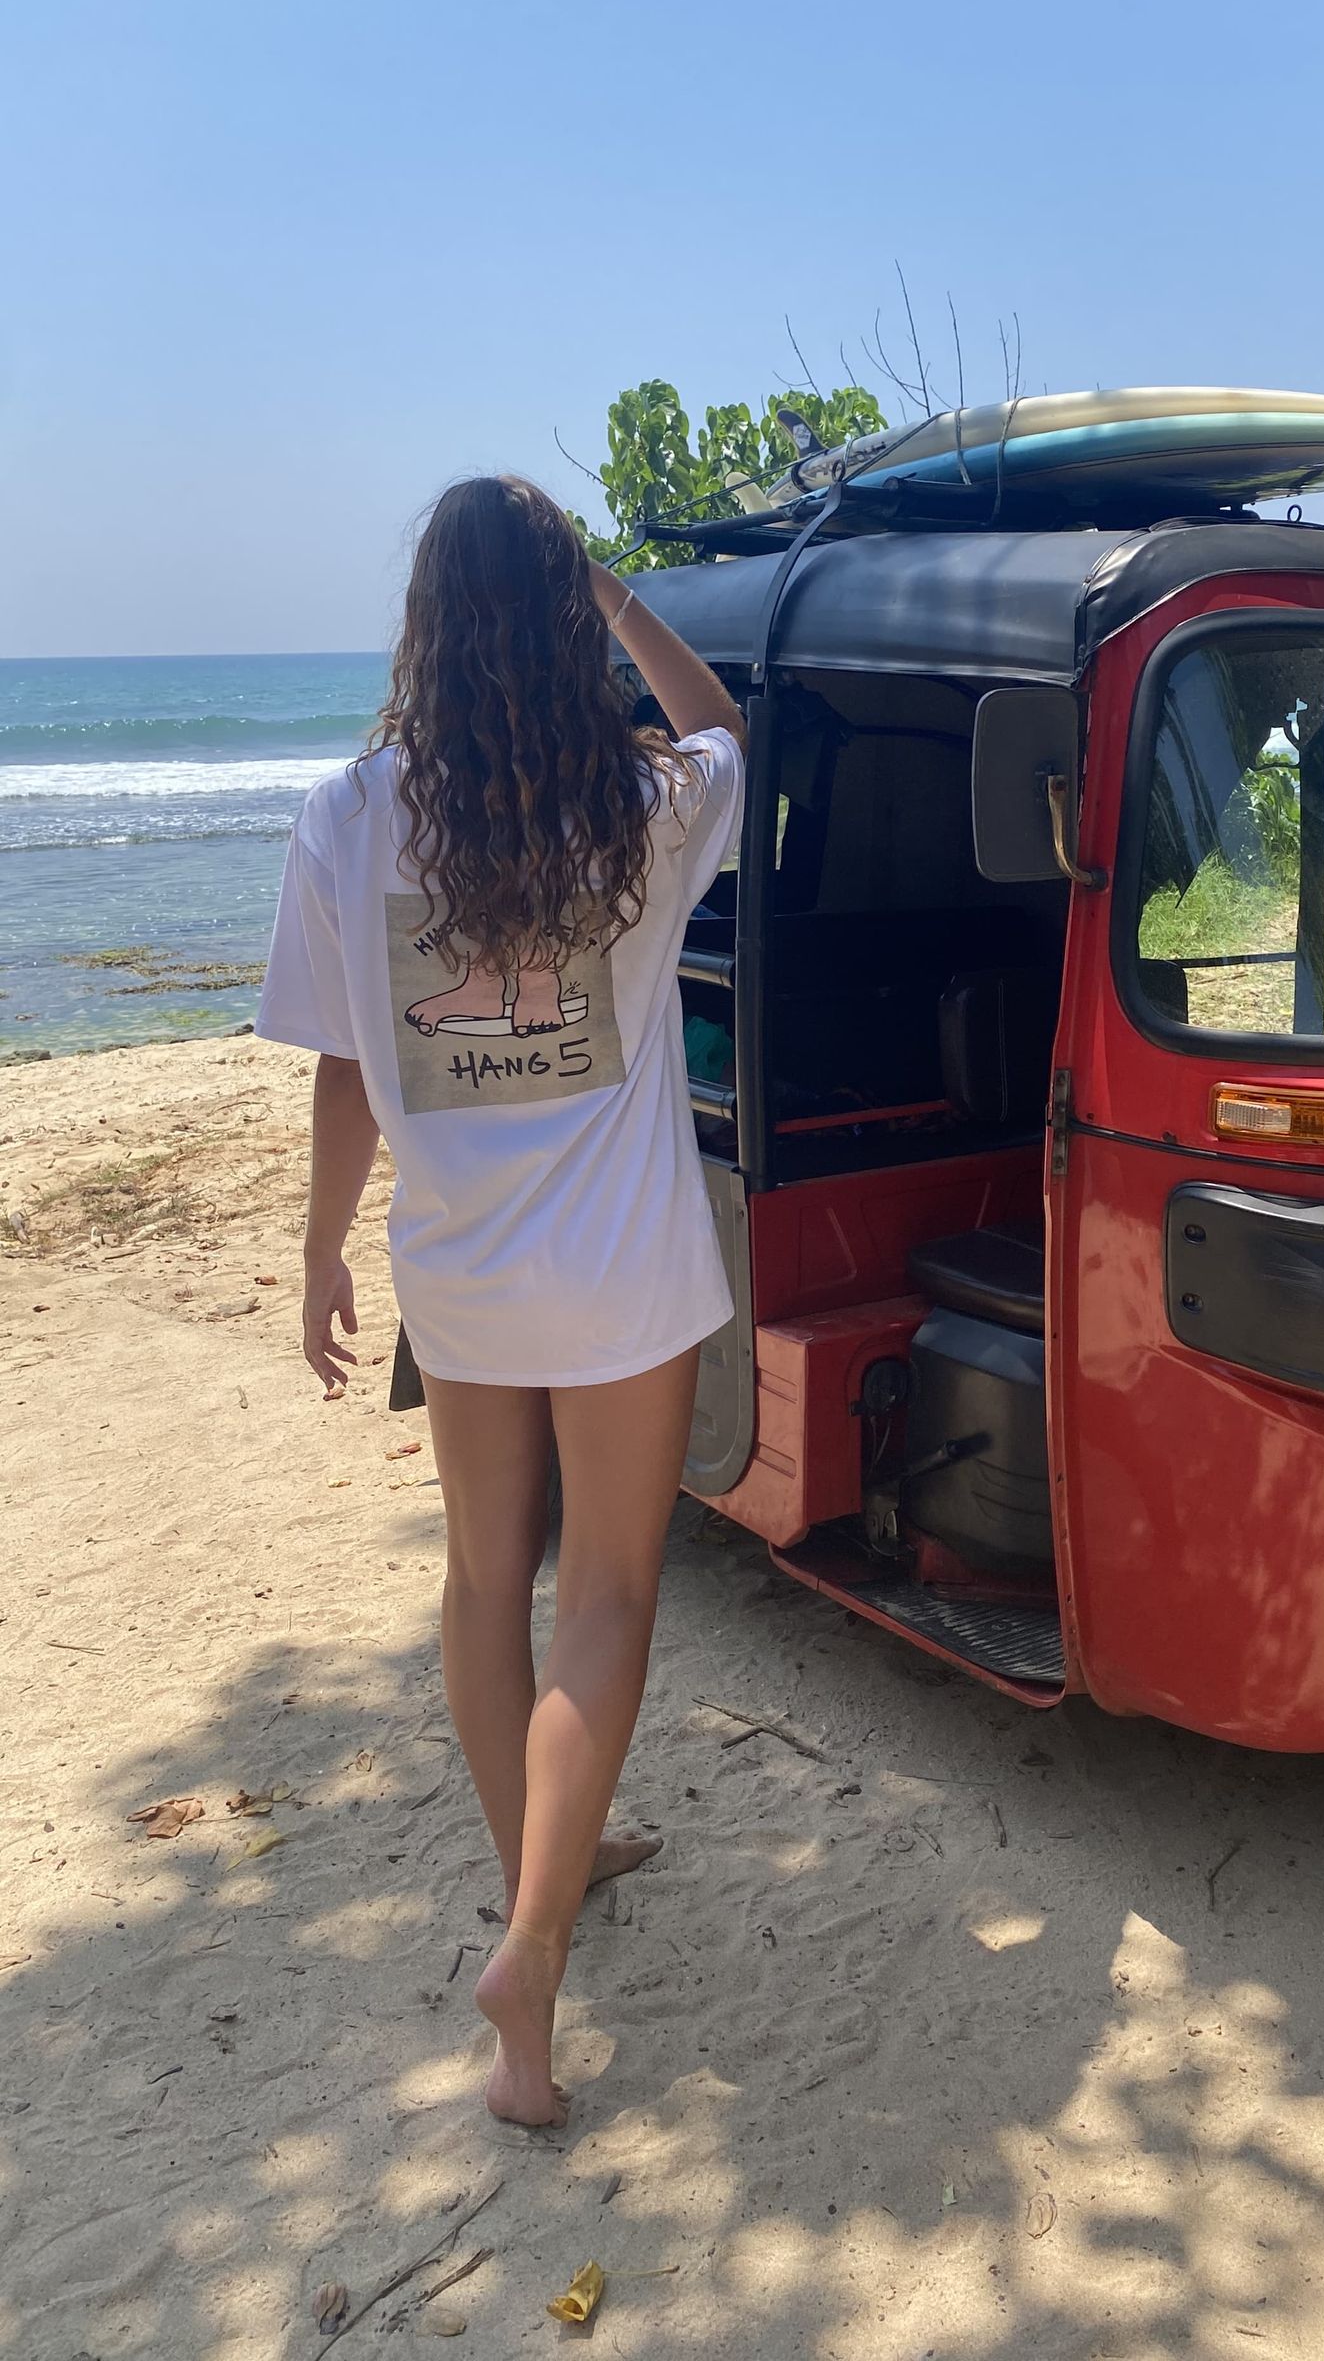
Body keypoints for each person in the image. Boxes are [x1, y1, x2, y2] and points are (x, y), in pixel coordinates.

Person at [256, 475, 745, 2126]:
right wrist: (612, 596)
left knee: (486, 1582)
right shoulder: (644, 802)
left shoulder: (346, 813)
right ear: (554, 622)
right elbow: (721, 717)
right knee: (603, 1597)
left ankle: (546, 1855)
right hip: (619, 1272)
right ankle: (532, 1944)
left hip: (458, 1271)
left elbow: (342, 1068)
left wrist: (325, 1247)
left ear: (423, 628)